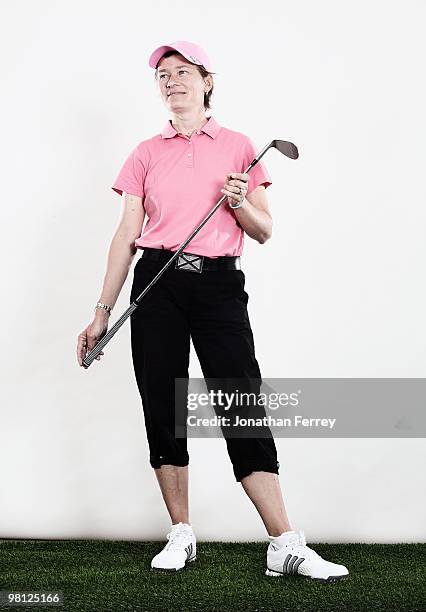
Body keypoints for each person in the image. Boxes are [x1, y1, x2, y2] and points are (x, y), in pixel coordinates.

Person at [76, 40, 349, 582]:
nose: (172, 82)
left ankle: (283, 542)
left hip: (219, 287)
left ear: (206, 81)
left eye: (182, 72)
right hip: (155, 283)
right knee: (163, 402)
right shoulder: (145, 152)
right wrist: (102, 310)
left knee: (241, 401)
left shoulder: (240, 146)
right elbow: (127, 233)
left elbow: (264, 230)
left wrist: (238, 202)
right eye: (163, 76)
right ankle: (182, 532)